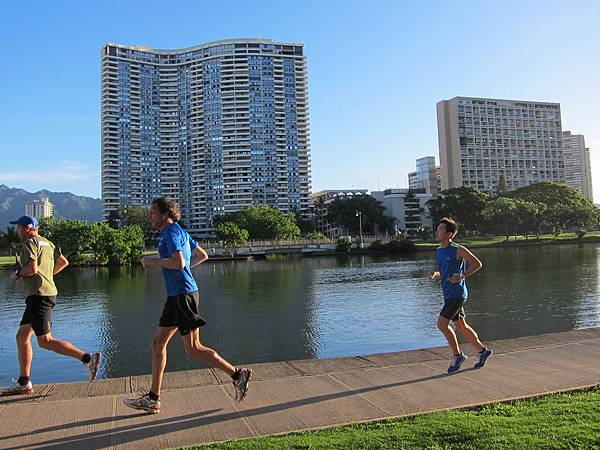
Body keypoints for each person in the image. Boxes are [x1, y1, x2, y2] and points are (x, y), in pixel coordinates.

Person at [123, 197, 251, 414]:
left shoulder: (172, 233)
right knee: (157, 344)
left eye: (152, 212)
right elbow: (202, 255)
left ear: (165, 214)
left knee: (193, 348)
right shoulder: (180, 232)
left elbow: (178, 262)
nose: (149, 216)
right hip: (177, 295)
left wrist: (152, 261)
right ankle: (153, 398)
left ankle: (237, 375)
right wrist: (185, 271)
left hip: (183, 296)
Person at [3, 216, 101, 395]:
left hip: (39, 297)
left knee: (45, 341)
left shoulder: (29, 243)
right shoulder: (47, 243)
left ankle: (87, 358)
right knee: (22, 336)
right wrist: (48, 276)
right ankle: (24, 382)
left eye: (18, 227)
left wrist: (17, 273)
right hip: (42, 294)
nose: (17, 230)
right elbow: (63, 262)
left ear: (27, 228)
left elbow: (31, 269)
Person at [430, 217, 493, 373]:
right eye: (437, 229)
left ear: (449, 234)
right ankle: (483, 351)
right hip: (448, 293)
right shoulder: (439, 251)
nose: (437, 232)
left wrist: (462, 276)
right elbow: (446, 271)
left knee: (441, 324)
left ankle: (457, 355)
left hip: (457, 294)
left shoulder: (458, 249)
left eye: (440, 229)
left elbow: (477, 263)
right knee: (460, 326)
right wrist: (438, 274)